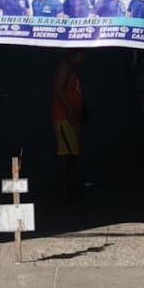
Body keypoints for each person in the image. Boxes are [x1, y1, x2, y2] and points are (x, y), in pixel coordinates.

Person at [51, 50, 86, 199]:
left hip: (73, 118)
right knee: (66, 153)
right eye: (80, 55)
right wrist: (69, 110)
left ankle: (69, 183)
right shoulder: (64, 68)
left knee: (73, 152)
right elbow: (59, 90)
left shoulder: (73, 69)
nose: (82, 59)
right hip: (64, 118)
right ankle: (63, 185)